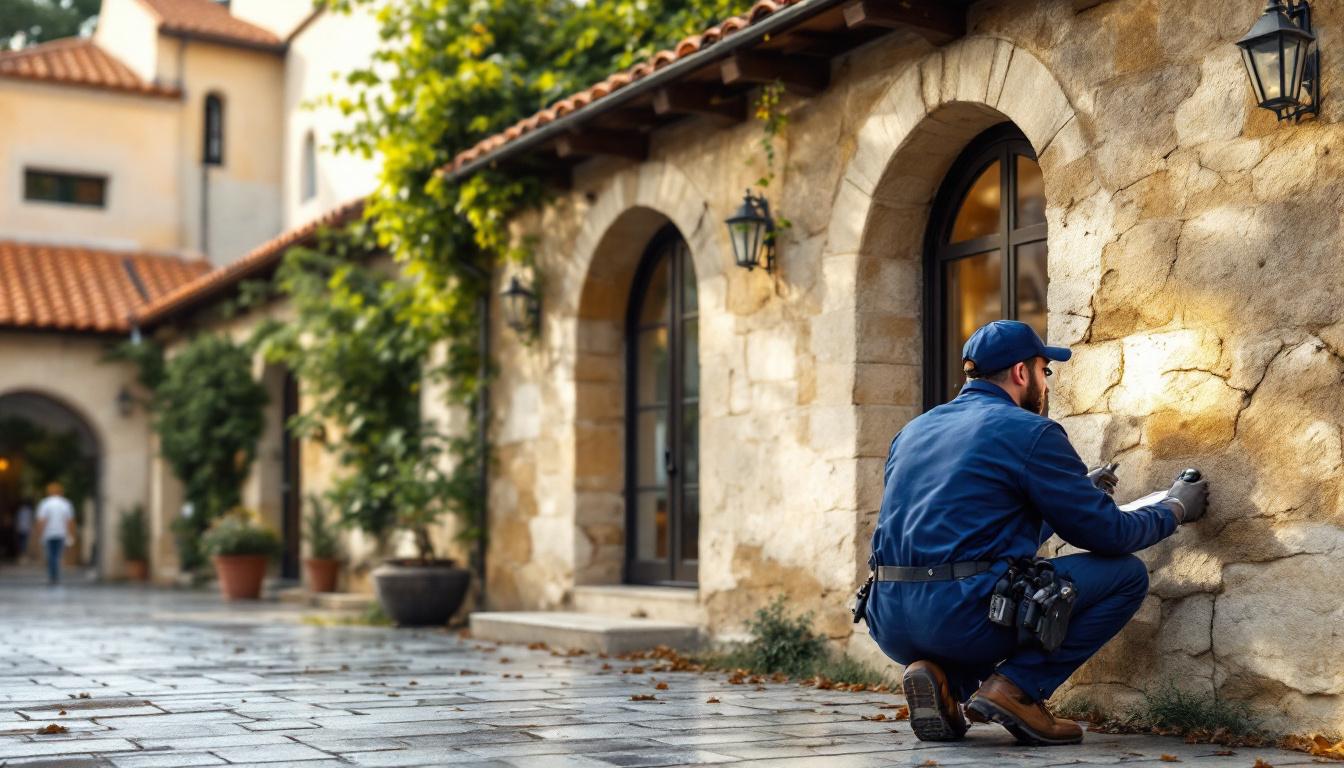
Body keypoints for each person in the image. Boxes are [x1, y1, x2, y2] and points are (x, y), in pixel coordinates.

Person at [863, 320, 1209, 746]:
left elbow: (983, 526)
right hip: (960, 614)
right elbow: (1109, 534)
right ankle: (1017, 689)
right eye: (1045, 371)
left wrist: (1077, 491)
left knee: (984, 586)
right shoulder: (1031, 431)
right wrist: (1174, 508)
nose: (1046, 384)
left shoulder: (912, 431)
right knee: (1125, 576)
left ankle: (945, 682)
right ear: (1022, 373)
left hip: (890, 620)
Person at [35, 482, 76, 585]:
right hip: (61, 533)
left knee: (51, 555)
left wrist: (40, 533)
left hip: (49, 533)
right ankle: (55, 576)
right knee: (57, 555)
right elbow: (69, 521)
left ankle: (53, 576)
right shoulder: (65, 504)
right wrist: (70, 534)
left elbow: (42, 520)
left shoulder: (45, 503)